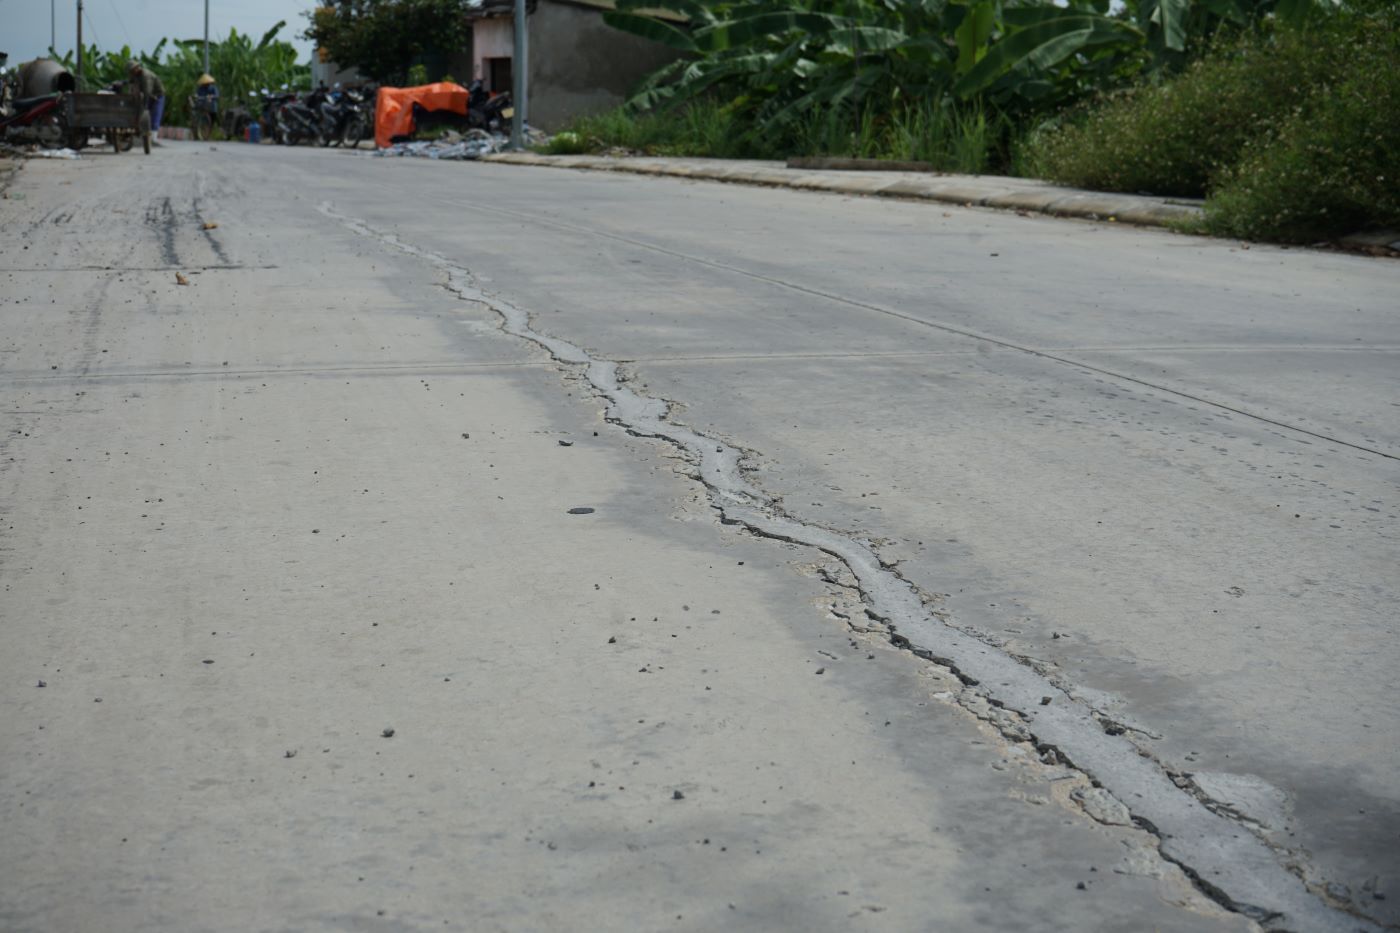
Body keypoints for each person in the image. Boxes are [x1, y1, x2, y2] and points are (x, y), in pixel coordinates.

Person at [127, 59, 165, 143]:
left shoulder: (146, 75)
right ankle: (143, 133)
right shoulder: (135, 74)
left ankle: (154, 138)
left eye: (132, 70)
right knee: (140, 112)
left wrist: (144, 105)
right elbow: (130, 84)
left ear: (136, 68)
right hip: (147, 95)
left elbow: (147, 92)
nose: (131, 73)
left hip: (157, 96)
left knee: (154, 115)